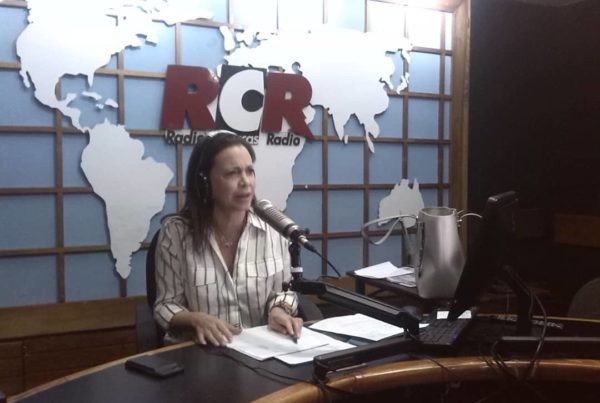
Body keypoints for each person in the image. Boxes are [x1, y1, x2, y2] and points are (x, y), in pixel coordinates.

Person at [153, 130, 303, 346]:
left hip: (261, 350)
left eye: (250, 171)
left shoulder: (273, 228)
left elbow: (284, 291)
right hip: (203, 351)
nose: (246, 182)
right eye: (232, 173)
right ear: (205, 181)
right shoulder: (176, 233)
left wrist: (279, 309)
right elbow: (165, 305)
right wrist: (195, 319)